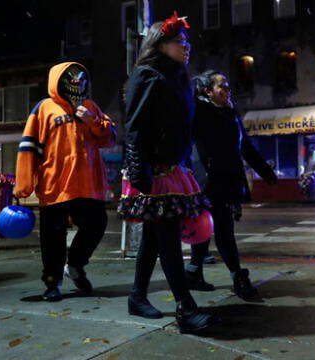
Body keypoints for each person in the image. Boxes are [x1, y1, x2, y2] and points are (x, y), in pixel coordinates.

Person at [117, 12, 218, 333]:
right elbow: (134, 128)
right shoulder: (147, 75)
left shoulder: (178, 78)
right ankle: (185, 308)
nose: (186, 47)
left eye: (187, 42)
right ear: (160, 44)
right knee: (168, 236)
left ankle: (136, 297)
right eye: (179, 41)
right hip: (153, 170)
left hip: (173, 168)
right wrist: (139, 171)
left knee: (153, 236)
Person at [14, 62, 116, 302]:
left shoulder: (91, 107)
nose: (77, 84)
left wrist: (92, 121)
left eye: (81, 80)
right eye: (72, 80)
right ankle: (52, 283)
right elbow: (28, 147)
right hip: (55, 186)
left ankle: (76, 265)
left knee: (97, 224)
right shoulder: (43, 109)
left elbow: (110, 139)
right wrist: (24, 185)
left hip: (88, 185)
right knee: (53, 238)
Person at [186, 70, 277, 299]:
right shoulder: (201, 111)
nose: (227, 90)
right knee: (224, 229)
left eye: (228, 86)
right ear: (208, 91)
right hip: (208, 179)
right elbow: (188, 96)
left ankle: (193, 272)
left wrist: (265, 171)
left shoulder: (231, 113)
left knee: (206, 227)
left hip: (229, 179)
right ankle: (238, 277)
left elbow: (244, 146)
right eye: (222, 86)